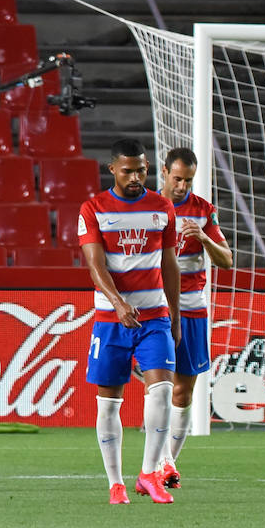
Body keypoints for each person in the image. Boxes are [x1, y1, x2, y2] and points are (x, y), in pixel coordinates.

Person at [79, 138, 181, 505]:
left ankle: (149, 473)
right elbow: (95, 265)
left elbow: (170, 264)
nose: (136, 176)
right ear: (112, 170)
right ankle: (115, 483)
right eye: (128, 170)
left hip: (154, 317)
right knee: (108, 405)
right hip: (111, 320)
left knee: (163, 391)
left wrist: (176, 314)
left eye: (141, 169)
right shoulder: (94, 209)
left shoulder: (162, 207)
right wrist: (118, 303)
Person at [156, 147, 233, 488]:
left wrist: (203, 237)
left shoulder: (203, 211)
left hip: (191, 308)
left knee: (183, 393)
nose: (182, 186)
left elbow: (227, 260)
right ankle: (160, 463)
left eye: (188, 180)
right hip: (153, 306)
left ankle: (166, 464)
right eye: (177, 178)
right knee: (158, 386)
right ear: (163, 172)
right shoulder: (145, 206)